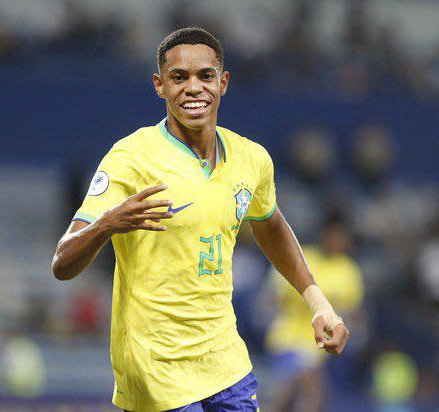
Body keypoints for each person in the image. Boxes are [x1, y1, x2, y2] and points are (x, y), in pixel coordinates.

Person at [51, 27, 350, 412]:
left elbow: (270, 224)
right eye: (179, 77)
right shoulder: (130, 159)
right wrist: (107, 224)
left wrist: (319, 303)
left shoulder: (251, 159)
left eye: (205, 76)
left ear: (222, 82)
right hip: (155, 368)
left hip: (225, 362)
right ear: (159, 86)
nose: (194, 87)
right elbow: (62, 263)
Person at [265, 217, 364, 412]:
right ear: (324, 236)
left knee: (311, 387)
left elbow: (354, 314)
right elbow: (272, 297)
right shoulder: (302, 257)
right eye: (335, 236)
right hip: (287, 337)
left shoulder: (348, 270)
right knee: (292, 387)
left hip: (321, 345)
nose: (339, 242)